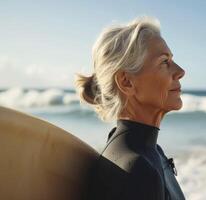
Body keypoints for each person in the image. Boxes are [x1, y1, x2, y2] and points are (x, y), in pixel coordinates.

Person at [74, 16, 186, 200]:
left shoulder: (149, 153)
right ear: (126, 82)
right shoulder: (136, 170)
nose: (181, 71)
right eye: (164, 62)